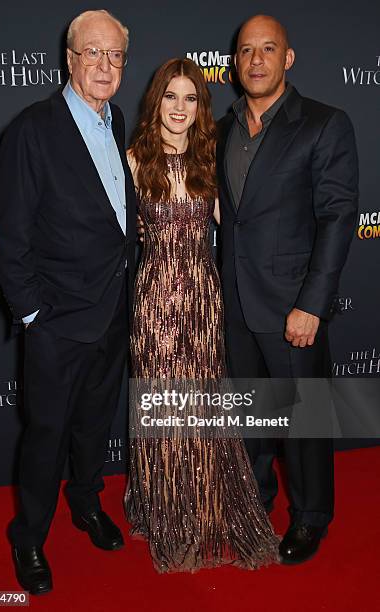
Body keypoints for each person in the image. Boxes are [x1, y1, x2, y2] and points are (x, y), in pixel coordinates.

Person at [0, 10, 136, 594]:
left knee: (93, 426)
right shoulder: (32, 128)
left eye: (116, 57)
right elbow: (12, 234)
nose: (105, 67)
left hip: (112, 311)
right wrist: (31, 314)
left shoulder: (117, 119)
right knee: (46, 433)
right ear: (70, 58)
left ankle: (85, 504)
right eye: (94, 54)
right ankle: (29, 536)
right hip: (56, 320)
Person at [124, 58, 280, 573]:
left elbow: (243, 226)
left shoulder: (212, 159)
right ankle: (165, 507)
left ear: (200, 108)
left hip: (201, 299)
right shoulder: (132, 160)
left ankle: (206, 505)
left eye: (191, 98)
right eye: (171, 96)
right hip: (152, 301)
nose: (180, 108)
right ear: (156, 101)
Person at [217, 15, 358, 564]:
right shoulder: (223, 127)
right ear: (235, 63)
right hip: (235, 303)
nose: (256, 60)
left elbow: (339, 218)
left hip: (293, 307)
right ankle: (254, 504)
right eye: (246, 50)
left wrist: (312, 305)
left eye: (268, 49)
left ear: (288, 59)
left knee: (304, 422)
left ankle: (311, 517)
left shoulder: (324, 123)